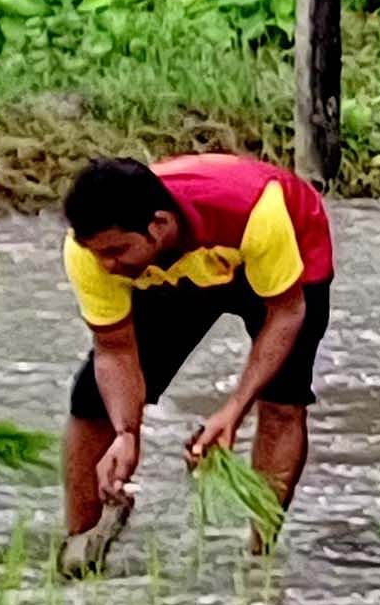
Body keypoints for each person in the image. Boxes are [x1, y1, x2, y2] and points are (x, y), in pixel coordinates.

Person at [53, 152, 330, 572]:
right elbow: (115, 349)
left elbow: (287, 313)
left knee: (282, 402)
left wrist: (235, 408)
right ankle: (82, 548)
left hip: (282, 258)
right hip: (170, 274)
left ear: (158, 225)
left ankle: (260, 559)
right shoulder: (89, 253)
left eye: (116, 251)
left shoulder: (258, 210)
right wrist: (127, 432)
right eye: (98, 255)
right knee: (90, 403)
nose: (107, 265)